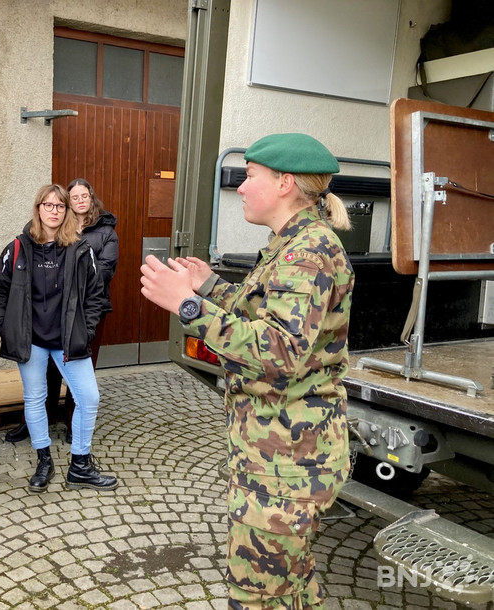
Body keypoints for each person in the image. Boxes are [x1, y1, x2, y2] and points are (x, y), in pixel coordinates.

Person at [140, 133, 354, 609]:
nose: (239, 186)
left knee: (257, 596)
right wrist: (210, 286)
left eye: (250, 175)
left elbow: (279, 349)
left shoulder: (308, 252)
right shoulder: (292, 243)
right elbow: (263, 312)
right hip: (278, 455)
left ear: (285, 183)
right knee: (291, 586)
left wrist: (188, 306)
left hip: (288, 464)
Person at [0, 184, 117, 493]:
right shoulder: (18, 248)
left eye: (60, 206)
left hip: (68, 340)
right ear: (38, 209)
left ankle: (80, 465)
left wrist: (85, 330)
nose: (54, 211)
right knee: (35, 398)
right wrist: (8, 330)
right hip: (31, 342)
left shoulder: (80, 249)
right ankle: (43, 460)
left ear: (67, 211)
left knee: (88, 398)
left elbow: (94, 295)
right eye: (48, 205)